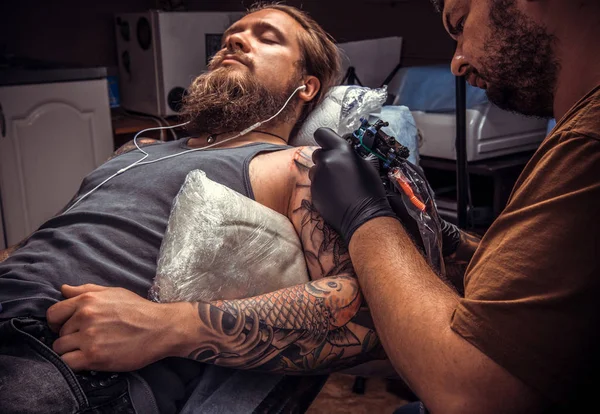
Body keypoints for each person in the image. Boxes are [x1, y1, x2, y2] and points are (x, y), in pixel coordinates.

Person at [0, 4, 395, 413]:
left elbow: (361, 314)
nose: (235, 40)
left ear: (307, 86)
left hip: (57, 348)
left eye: (267, 37)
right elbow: (58, 233)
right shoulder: (138, 149)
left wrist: (170, 326)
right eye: (231, 37)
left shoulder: (295, 166)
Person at [308, 0, 600, 413]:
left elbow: (472, 392)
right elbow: (552, 293)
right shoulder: (578, 130)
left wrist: (365, 217)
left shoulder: (589, 145)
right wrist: (452, 241)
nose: (457, 64)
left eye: (461, 25)